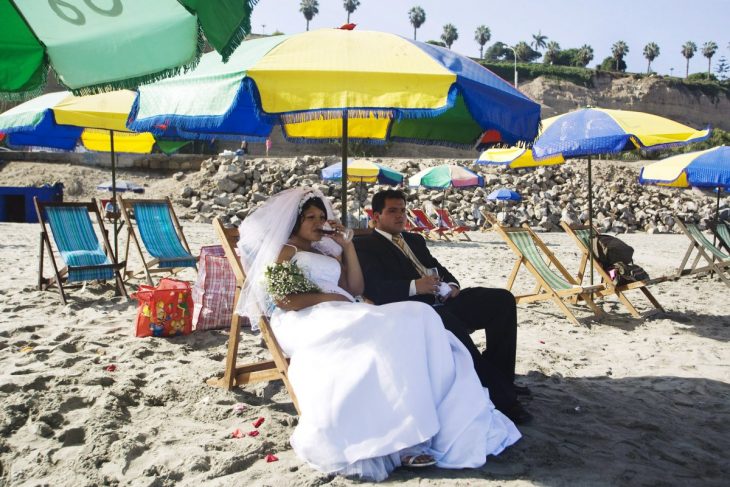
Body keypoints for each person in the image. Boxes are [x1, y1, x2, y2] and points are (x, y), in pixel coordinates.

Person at [235, 187, 520, 482]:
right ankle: (403, 439)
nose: (319, 222)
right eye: (310, 217)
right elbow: (284, 302)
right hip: (305, 317)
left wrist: (347, 248)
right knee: (385, 335)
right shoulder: (286, 251)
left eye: (322, 216)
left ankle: (435, 419)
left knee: (420, 316)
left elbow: (355, 289)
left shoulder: (324, 250)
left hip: (343, 309)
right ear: (295, 222)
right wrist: (329, 300)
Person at [354, 189, 533, 424]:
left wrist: (452, 285)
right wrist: (415, 286)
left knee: (502, 300)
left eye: (403, 211)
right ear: (376, 216)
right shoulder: (366, 245)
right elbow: (374, 289)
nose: (400, 216)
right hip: (414, 310)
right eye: (392, 211)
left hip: (444, 300)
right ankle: (502, 398)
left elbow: (440, 268)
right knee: (450, 324)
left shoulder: (414, 240)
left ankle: (502, 378)